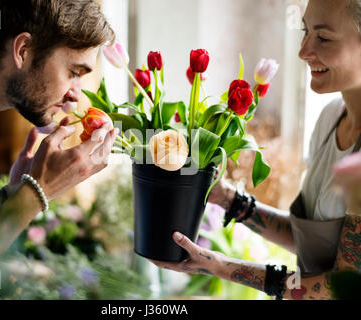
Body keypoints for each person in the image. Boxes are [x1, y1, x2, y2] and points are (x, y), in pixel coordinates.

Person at [150, 0, 361, 300]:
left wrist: (221, 267)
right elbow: (314, 242)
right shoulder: (330, 118)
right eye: (305, 31)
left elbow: (336, 288)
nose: (303, 51)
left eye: (323, 37)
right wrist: (229, 200)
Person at [0, 0, 118, 253]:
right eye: (74, 72)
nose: (75, 96)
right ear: (23, 50)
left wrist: (12, 195)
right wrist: (40, 190)